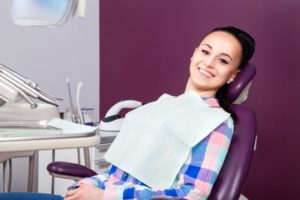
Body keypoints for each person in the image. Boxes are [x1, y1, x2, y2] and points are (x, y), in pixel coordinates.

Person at [0, 26, 255, 200]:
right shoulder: (163, 107)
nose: (208, 63)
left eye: (222, 60)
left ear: (233, 75)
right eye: (205, 51)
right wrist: (92, 184)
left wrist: (106, 195)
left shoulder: (215, 123)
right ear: (194, 53)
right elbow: (119, 173)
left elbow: (192, 195)